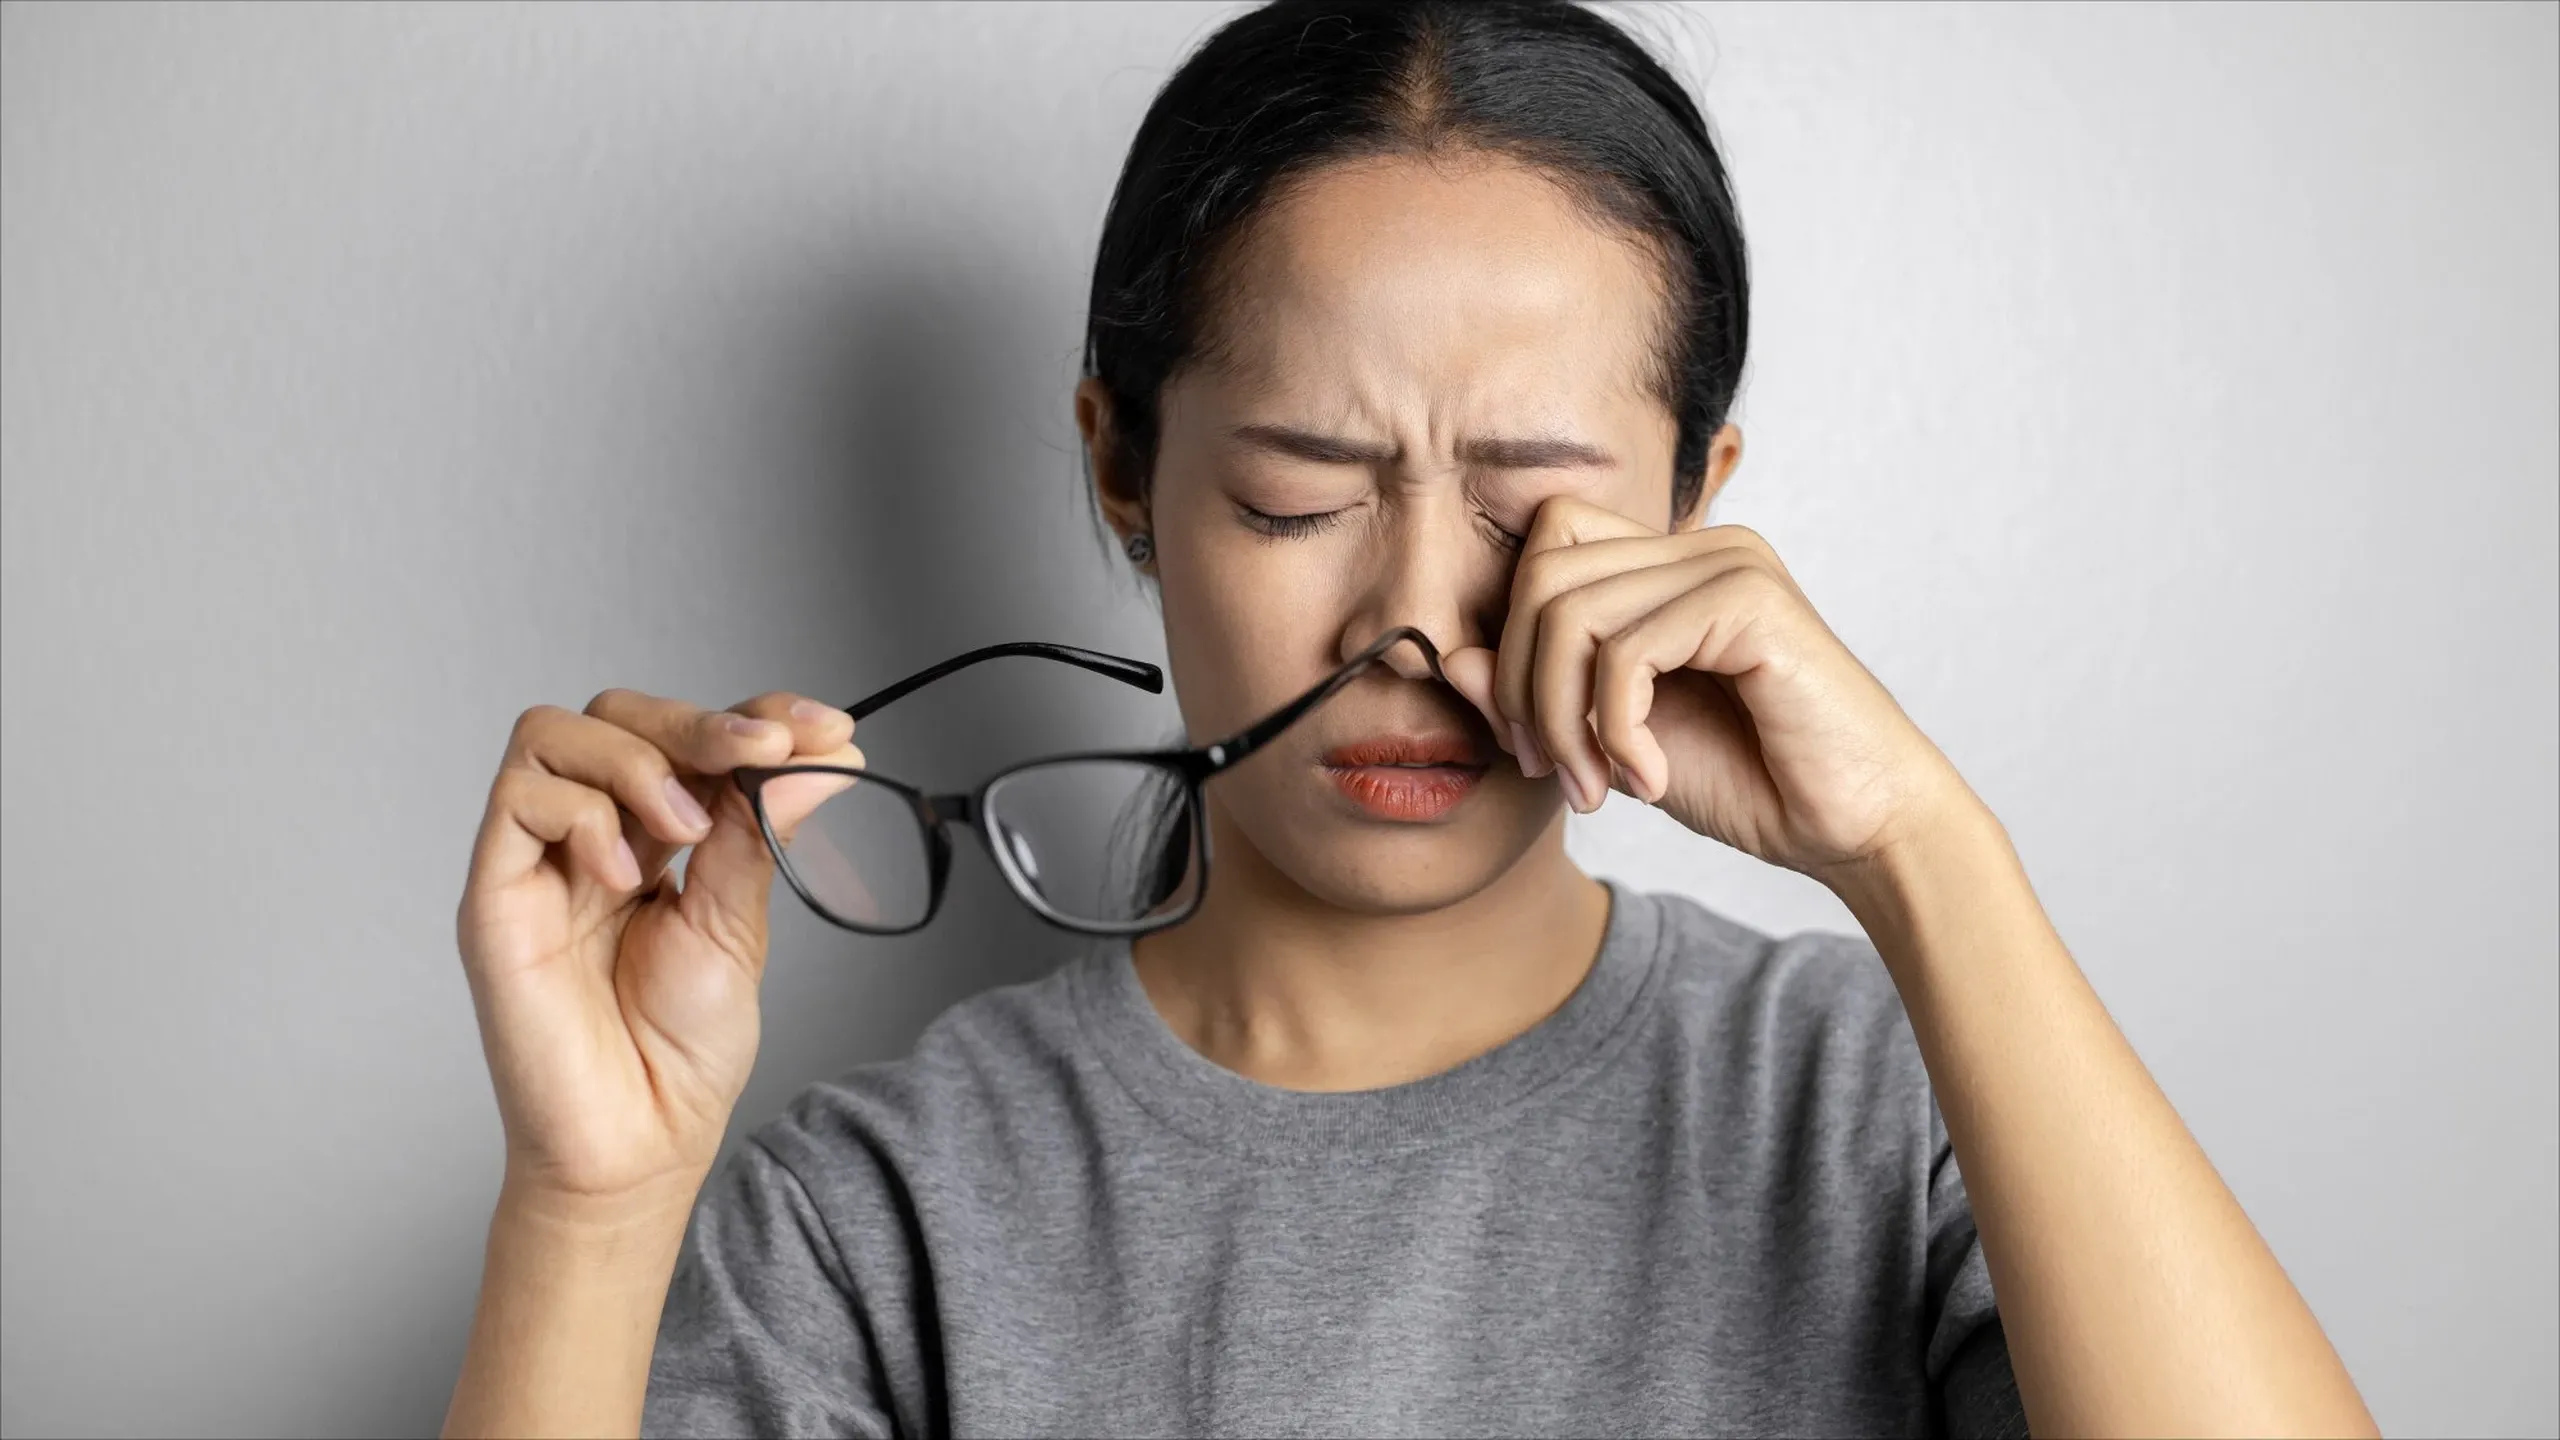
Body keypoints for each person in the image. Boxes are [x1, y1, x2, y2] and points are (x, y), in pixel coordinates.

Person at [440, 2, 2378, 1436]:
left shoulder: (1886, 1109)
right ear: (1119, 462)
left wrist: (1924, 859)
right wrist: (589, 1207)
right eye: (1296, 497)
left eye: (1532, 509)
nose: (1410, 627)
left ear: (1696, 507)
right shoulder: (879, 1217)